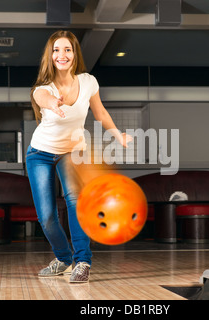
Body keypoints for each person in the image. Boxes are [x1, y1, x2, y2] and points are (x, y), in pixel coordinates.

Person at [26, 30, 131, 283]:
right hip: (40, 154)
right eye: (56, 50)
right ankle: (63, 259)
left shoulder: (88, 82)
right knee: (47, 216)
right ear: (50, 56)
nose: (62, 55)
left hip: (73, 151)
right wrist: (51, 103)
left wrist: (118, 135)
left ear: (74, 54)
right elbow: (40, 97)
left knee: (76, 202)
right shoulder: (44, 88)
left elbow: (101, 113)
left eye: (67, 50)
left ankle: (82, 262)